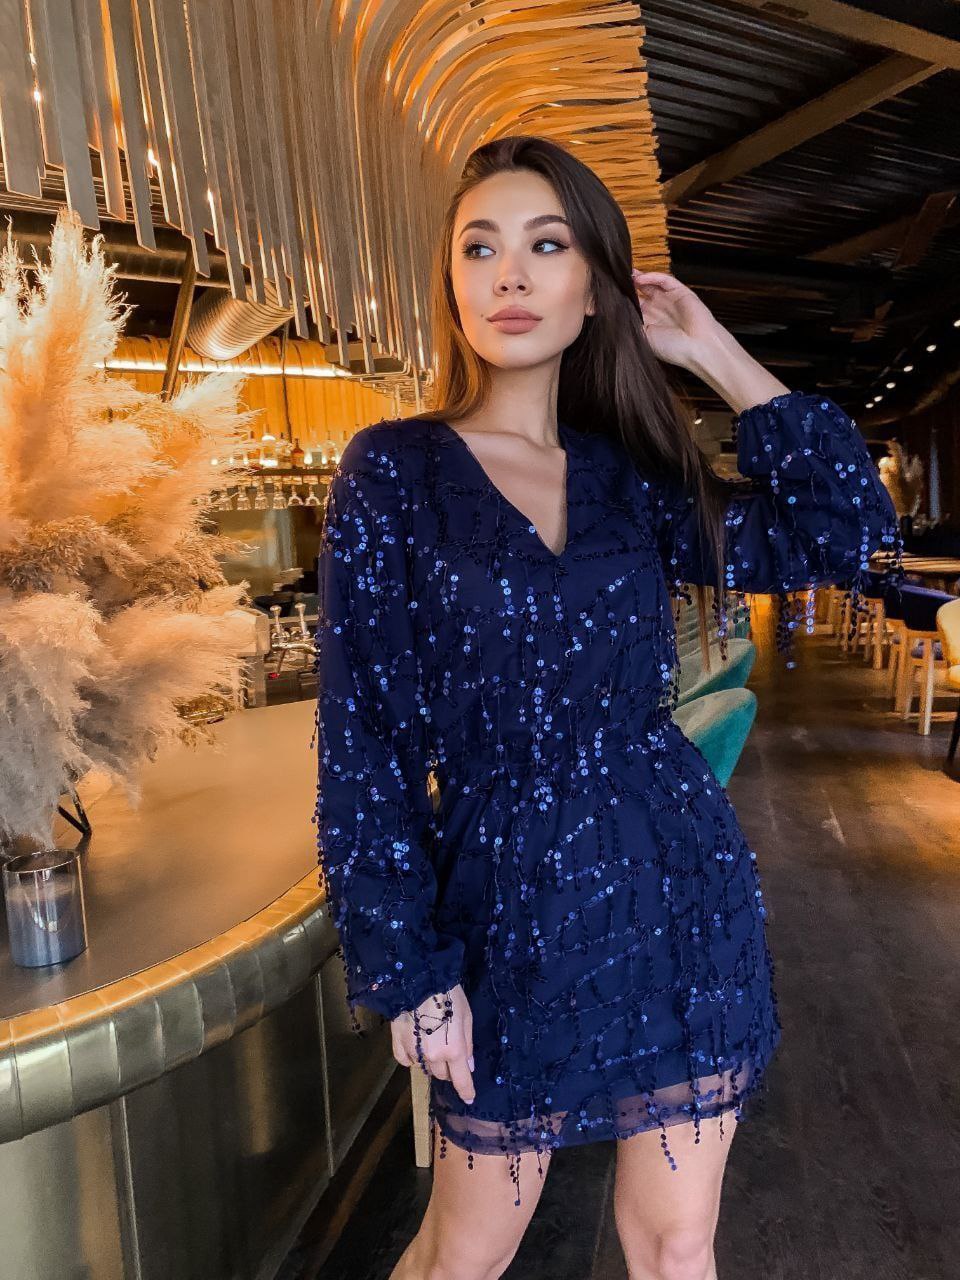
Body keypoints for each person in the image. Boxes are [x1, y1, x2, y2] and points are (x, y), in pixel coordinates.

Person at [312, 136, 901, 1280]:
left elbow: (845, 535)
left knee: (678, 1242)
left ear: (595, 288)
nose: (510, 273)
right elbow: (362, 738)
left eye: (548, 245)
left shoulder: (630, 474)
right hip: (504, 906)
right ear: (451, 281)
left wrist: (713, 350)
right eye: (480, 247)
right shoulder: (394, 472)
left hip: (677, 887)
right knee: (463, 1252)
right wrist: (408, 963)